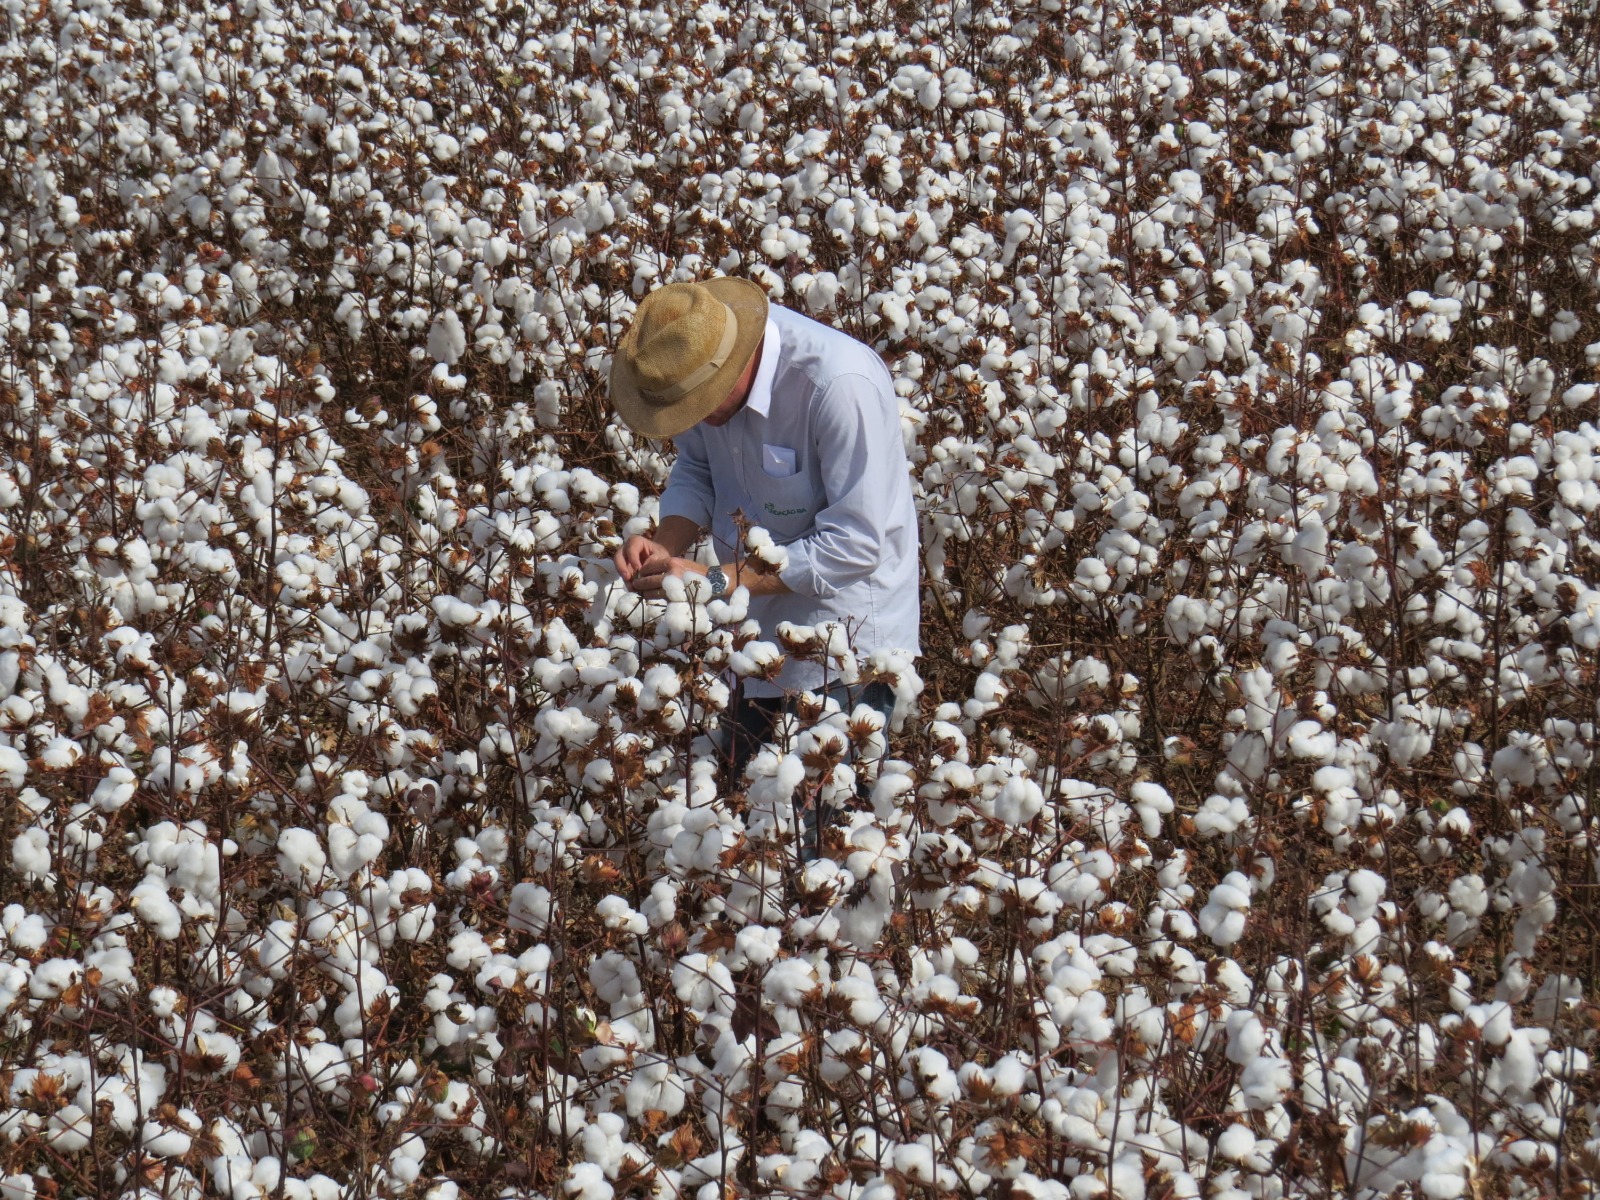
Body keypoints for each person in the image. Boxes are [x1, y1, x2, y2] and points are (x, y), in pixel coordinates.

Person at [607, 277, 920, 838]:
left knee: (824, 833)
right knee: (748, 821)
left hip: (844, 640)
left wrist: (717, 582)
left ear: (733, 364)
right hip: (752, 632)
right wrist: (668, 541)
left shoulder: (836, 385)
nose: (694, 418)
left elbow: (857, 545)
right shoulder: (699, 370)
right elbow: (698, 468)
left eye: (699, 404)